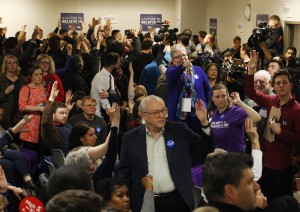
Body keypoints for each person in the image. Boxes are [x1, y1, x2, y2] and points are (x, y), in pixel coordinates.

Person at [118, 95, 214, 212]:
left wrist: (204, 122)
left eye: (163, 110)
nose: (161, 115)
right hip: (144, 202)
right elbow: (124, 173)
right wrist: (127, 201)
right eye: (156, 112)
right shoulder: (130, 138)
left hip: (178, 201)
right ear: (144, 116)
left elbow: (205, 151)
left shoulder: (179, 130)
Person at [245, 50, 300, 202]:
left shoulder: (297, 109)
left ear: (291, 85)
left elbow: (298, 139)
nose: (281, 86)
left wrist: (280, 131)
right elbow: (250, 91)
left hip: (282, 164)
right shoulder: (271, 101)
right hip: (264, 161)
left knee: (282, 201)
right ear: (273, 86)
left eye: (284, 82)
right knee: (266, 199)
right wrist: (251, 71)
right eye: (278, 83)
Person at [200, 83, 260, 153]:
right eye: (217, 97)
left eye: (223, 96)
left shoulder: (236, 111)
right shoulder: (214, 113)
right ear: (212, 98)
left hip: (236, 158)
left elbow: (257, 118)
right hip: (219, 158)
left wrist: (239, 102)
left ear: (227, 96)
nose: (221, 99)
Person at [166, 44, 211, 134]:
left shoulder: (198, 70)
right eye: (178, 56)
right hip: (180, 118)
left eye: (184, 55)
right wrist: (182, 67)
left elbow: (208, 90)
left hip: (199, 115)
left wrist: (209, 107)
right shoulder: (170, 71)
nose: (182, 58)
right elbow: (174, 75)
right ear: (173, 60)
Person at [41, 81, 73, 156]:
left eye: (65, 113)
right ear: (52, 115)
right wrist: (52, 97)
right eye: (62, 113)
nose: (65, 116)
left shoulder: (67, 126)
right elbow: (45, 121)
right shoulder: (50, 129)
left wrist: (67, 109)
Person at [18, 67, 47, 151]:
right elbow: (22, 106)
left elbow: (45, 102)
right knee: (29, 152)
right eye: (36, 75)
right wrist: (38, 108)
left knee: (40, 150)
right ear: (30, 76)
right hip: (30, 123)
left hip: (42, 123)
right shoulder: (25, 89)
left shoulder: (41, 88)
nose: (39, 77)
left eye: (41, 74)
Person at [90, 52, 121, 117]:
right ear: (112, 66)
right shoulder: (100, 77)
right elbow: (103, 99)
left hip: (107, 111)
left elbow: (111, 95)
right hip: (99, 114)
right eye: (118, 63)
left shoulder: (110, 76)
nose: (119, 65)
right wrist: (111, 113)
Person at [0, 55, 27, 129]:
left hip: (20, 113)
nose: (12, 65)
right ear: (5, 65)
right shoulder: (1, 78)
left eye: (14, 63)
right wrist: (5, 93)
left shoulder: (22, 78)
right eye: (9, 63)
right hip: (6, 115)